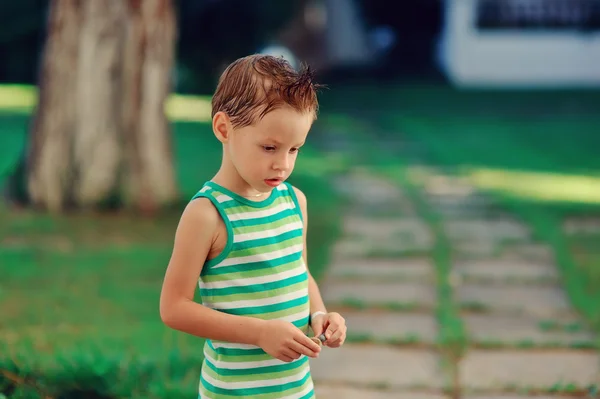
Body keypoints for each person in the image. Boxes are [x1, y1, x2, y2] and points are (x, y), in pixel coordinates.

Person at [159, 54, 347, 399]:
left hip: (295, 390)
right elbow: (174, 308)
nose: (283, 164)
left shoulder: (294, 202)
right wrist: (259, 333)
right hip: (234, 392)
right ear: (223, 128)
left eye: (295, 149)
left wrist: (319, 313)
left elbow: (300, 273)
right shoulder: (208, 214)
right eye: (269, 147)